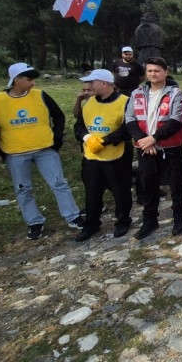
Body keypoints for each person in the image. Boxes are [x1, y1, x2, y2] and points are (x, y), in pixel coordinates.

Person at [0, 63, 85, 240]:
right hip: (15, 153)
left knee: (59, 183)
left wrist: (56, 139)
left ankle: (73, 216)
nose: (33, 83)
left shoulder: (41, 95)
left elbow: (58, 116)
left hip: (45, 149)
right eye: (29, 79)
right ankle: (34, 222)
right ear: (16, 80)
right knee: (23, 189)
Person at [125, 57, 182, 239]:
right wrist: (144, 140)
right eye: (150, 70)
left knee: (177, 185)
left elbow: (175, 121)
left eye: (157, 70)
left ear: (165, 72)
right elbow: (130, 120)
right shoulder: (137, 93)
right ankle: (150, 220)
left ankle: (179, 218)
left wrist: (154, 138)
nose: (153, 74)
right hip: (145, 148)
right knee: (147, 186)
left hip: (170, 148)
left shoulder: (176, 94)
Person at [73, 70, 133, 241]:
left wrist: (105, 141)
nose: (88, 86)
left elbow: (128, 128)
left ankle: (123, 220)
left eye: (92, 82)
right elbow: (79, 126)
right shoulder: (89, 102)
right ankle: (91, 223)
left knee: (120, 191)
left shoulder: (125, 102)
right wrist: (88, 138)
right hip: (91, 156)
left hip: (116, 156)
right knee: (92, 191)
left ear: (104, 83)